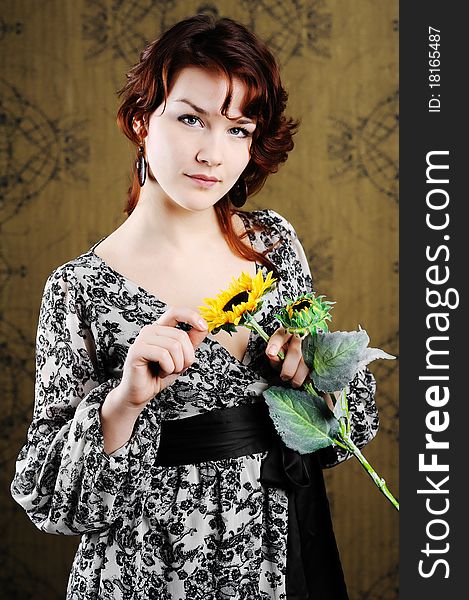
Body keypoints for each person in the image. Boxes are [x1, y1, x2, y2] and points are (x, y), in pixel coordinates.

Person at [11, 14, 379, 600]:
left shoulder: (273, 245)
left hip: (282, 554)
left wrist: (319, 377)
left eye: (238, 130)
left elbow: (339, 436)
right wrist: (124, 401)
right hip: (151, 568)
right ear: (140, 120)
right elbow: (51, 501)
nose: (212, 153)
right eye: (190, 119)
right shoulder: (79, 290)